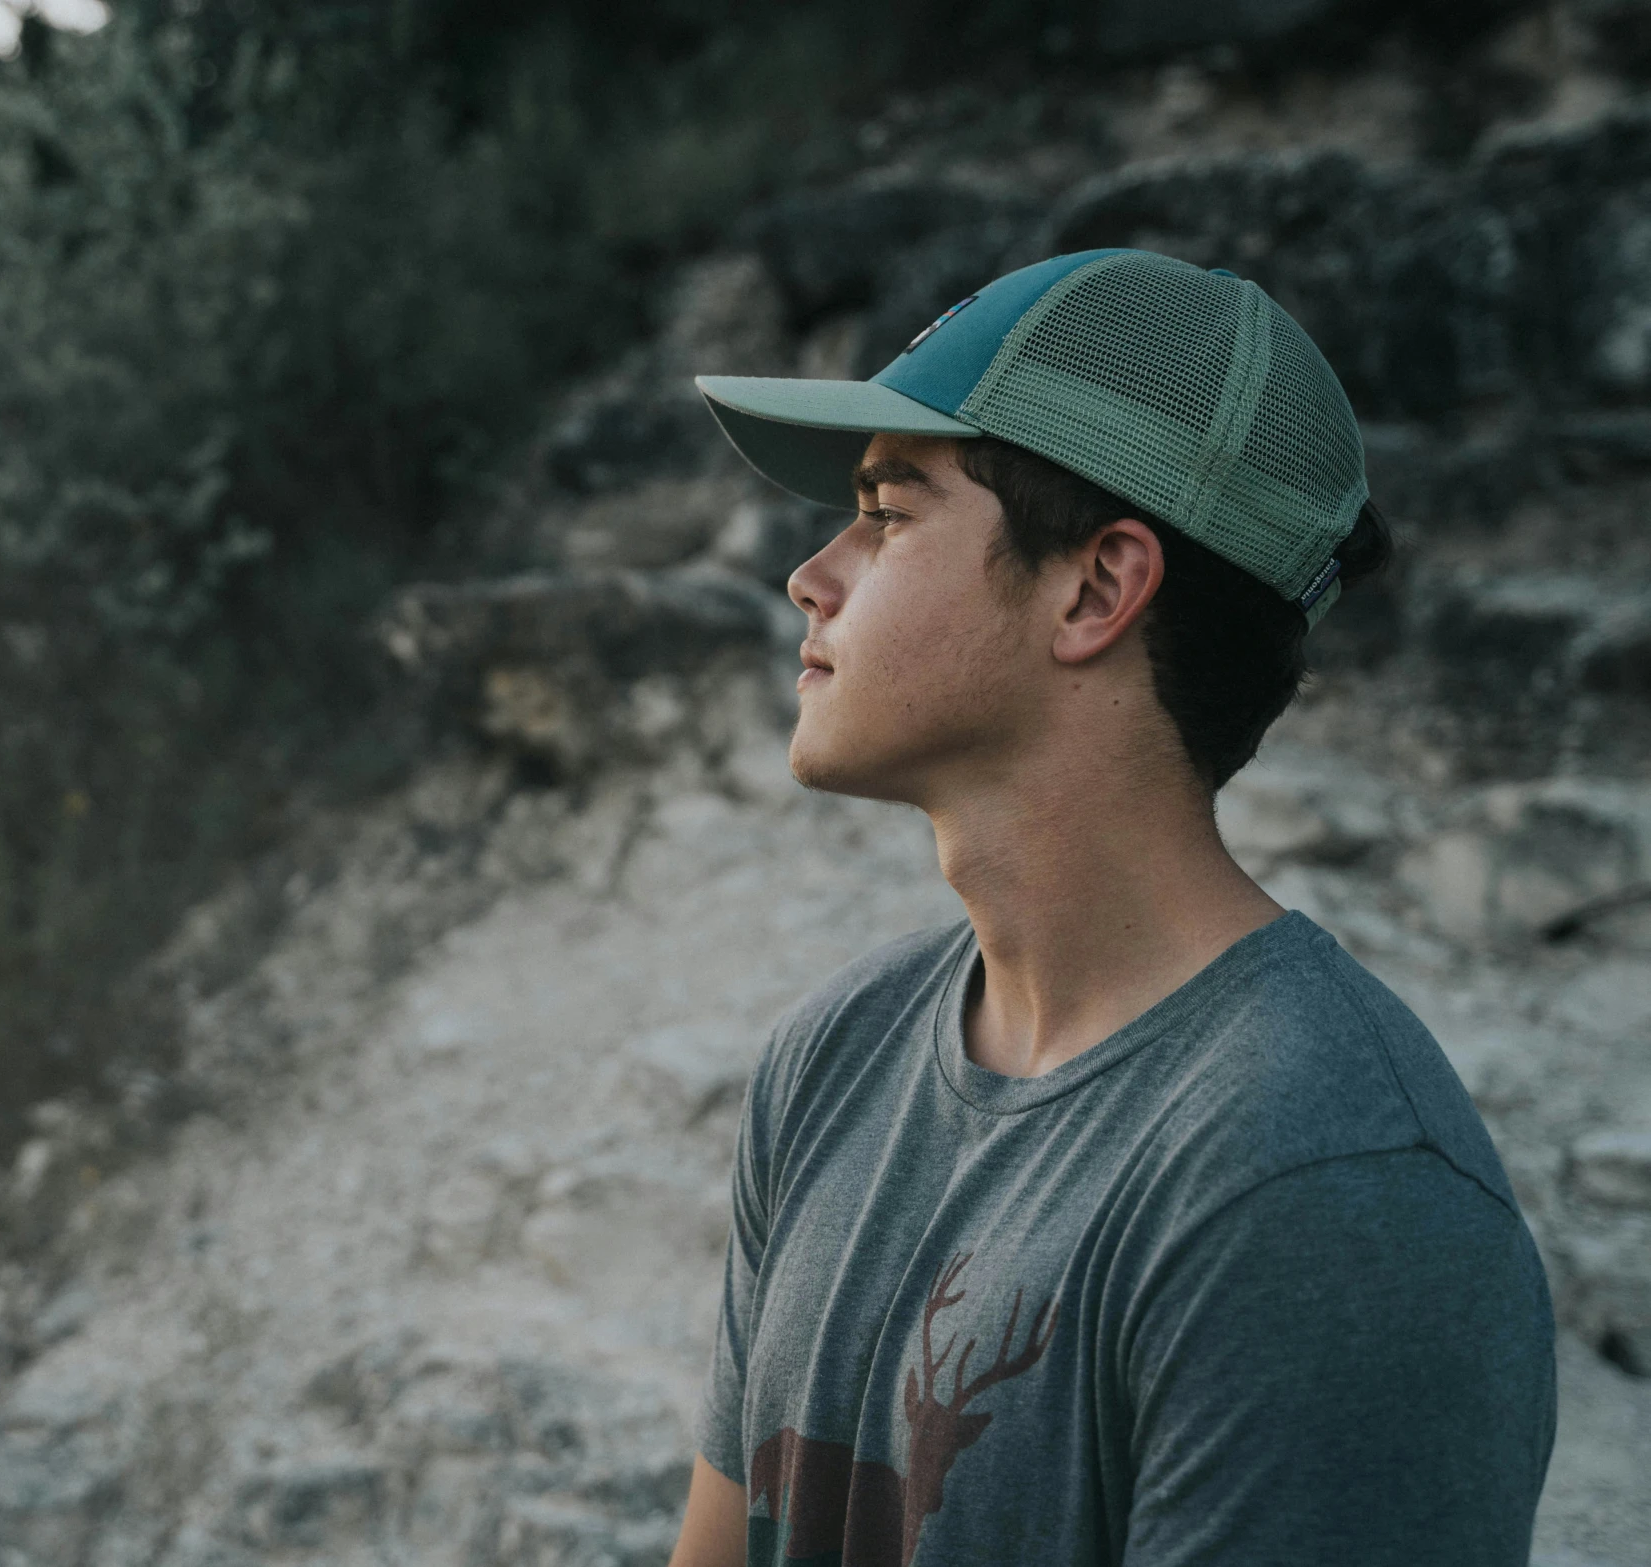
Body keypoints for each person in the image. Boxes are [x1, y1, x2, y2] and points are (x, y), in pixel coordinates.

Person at [665, 249, 1555, 1567]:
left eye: (887, 511)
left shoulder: (1323, 1193)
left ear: (1094, 586)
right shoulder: (833, 1054)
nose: (812, 572)